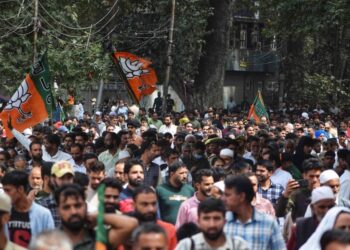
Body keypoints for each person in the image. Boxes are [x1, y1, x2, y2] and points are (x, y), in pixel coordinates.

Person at [56, 183, 138, 250]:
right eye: (66, 207)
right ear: (58, 211)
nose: (73, 212)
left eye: (78, 206)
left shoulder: (99, 239)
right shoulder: (50, 242)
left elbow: (131, 224)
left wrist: (98, 217)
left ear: (85, 206)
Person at [223, 175, 286, 250]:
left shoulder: (268, 223)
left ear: (241, 197)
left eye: (227, 195)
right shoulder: (223, 223)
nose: (223, 198)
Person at [2, 170, 54, 248]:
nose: (4, 194)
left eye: (8, 190)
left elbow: (51, 244)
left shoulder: (43, 214)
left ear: (20, 189)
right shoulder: (3, 214)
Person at [176, 198, 248, 250]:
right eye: (206, 219)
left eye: (216, 218)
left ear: (224, 221)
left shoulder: (237, 245)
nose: (212, 224)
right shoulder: (186, 246)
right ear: (198, 221)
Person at [37, 160, 75, 227]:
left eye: (69, 178)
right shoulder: (42, 205)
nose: (66, 182)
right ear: (53, 179)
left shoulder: (81, 202)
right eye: (62, 178)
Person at [156, 160, 194, 224]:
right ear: (172, 174)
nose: (185, 176)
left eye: (186, 173)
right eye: (181, 173)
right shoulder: (160, 190)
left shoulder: (190, 190)